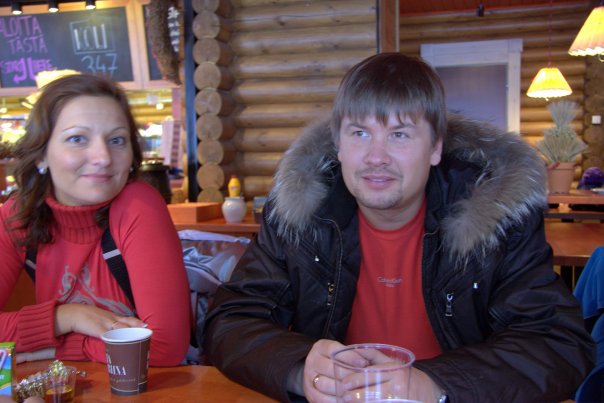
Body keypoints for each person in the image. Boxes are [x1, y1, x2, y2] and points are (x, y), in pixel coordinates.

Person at [204, 53, 595, 402]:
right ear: (338, 144)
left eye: (400, 134)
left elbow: (557, 344)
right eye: (360, 133)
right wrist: (298, 366)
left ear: (436, 147)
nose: (376, 157)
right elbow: (231, 319)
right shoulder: (299, 215)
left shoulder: (496, 217)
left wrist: (434, 384)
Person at [0, 73, 190, 366]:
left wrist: (58, 347)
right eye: (77, 139)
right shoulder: (18, 215)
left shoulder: (138, 205)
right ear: (41, 156)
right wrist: (65, 317)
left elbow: (164, 347)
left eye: (116, 140)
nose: (103, 157)